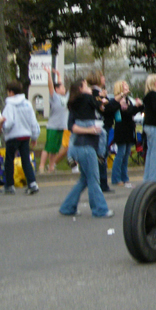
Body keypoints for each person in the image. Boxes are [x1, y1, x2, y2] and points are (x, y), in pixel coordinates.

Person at [59, 79, 113, 218]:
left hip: (78, 146)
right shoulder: (88, 98)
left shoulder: (74, 104)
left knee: (84, 179)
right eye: (86, 85)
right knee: (94, 179)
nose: (89, 88)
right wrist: (103, 99)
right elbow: (101, 105)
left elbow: (72, 126)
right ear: (81, 88)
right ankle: (99, 209)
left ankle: (67, 207)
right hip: (87, 147)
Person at [1, 80, 40, 195]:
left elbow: (8, 122)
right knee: (26, 160)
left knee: (9, 160)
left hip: (13, 136)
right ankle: (32, 183)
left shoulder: (10, 105)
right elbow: (33, 121)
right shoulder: (27, 103)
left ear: (11, 92)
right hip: (25, 136)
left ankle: (9, 185)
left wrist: (3, 128)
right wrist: (34, 136)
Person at [110, 81, 143, 188]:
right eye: (124, 86)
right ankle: (116, 177)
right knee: (121, 153)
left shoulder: (128, 100)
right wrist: (135, 107)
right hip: (121, 129)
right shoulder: (119, 100)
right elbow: (126, 112)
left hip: (129, 128)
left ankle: (125, 177)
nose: (127, 88)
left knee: (126, 153)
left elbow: (132, 111)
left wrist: (138, 106)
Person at [86, 71, 113, 193]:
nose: (104, 78)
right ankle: (102, 183)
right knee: (102, 154)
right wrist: (104, 98)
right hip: (101, 125)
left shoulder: (97, 93)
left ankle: (100, 181)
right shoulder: (96, 93)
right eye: (102, 76)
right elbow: (104, 109)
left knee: (100, 153)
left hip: (101, 125)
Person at [39, 68, 68, 174]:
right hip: (53, 126)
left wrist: (59, 74)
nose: (64, 89)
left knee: (55, 149)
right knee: (48, 147)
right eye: (62, 88)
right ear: (57, 90)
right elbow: (51, 86)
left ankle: (51, 167)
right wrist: (49, 75)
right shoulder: (54, 97)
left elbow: (59, 83)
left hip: (61, 126)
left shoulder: (64, 98)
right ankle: (41, 166)